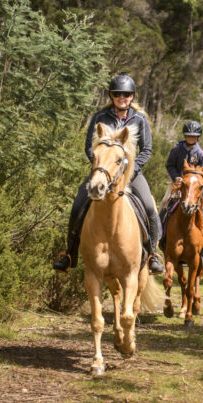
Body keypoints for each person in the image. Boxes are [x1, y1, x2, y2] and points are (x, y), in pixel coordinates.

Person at [53, 73, 164, 274]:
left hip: (131, 173)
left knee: (149, 207)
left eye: (127, 94)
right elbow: (89, 146)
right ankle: (69, 254)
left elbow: (146, 150)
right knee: (78, 204)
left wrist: (131, 169)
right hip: (103, 172)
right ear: (111, 95)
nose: (122, 97)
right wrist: (100, 165)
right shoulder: (100, 117)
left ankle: (154, 254)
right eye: (118, 93)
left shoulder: (140, 119)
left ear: (132, 96)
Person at [162, 121, 203, 244]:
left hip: (194, 188)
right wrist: (176, 177)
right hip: (178, 184)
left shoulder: (201, 154)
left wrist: (197, 184)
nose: (191, 138)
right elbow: (170, 165)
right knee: (164, 202)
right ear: (184, 136)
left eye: (193, 136)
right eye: (188, 135)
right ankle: (159, 231)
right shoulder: (176, 149)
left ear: (198, 137)